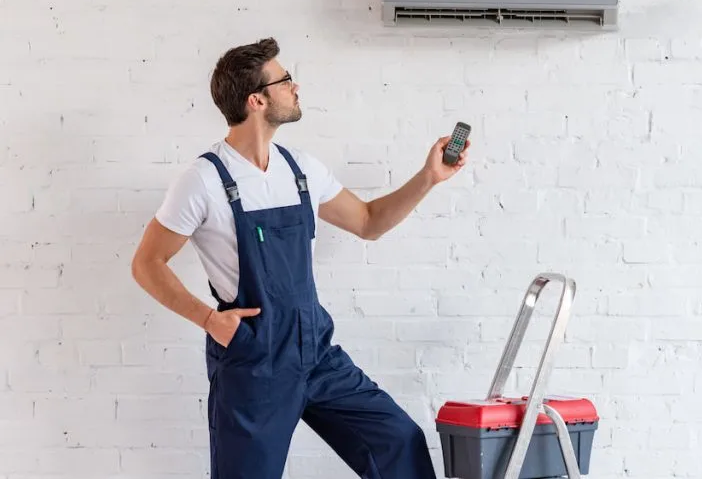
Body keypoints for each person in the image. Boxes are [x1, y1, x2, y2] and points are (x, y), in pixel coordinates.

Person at [130, 38, 469, 479]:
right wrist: (210, 320)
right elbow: (147, 263)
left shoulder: (300, 169)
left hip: (316, 353)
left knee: (397, 442)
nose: (296, 87)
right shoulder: (204, 180)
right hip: (255, 361)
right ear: (257, 100)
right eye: (285, 80)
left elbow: (369, 222)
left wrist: (428, 177)